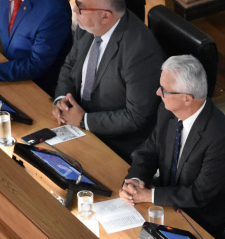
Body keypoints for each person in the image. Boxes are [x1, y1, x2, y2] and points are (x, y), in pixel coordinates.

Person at [120, 55, 225, 234]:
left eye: (164, 89)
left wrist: (150, 195)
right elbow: (149, 151)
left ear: (187, 98)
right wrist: (135, 181)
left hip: (199, 219)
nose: (157, 92)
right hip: (168, 201)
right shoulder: (167, 110)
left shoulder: (219, 138)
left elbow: (199, 194)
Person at [52, 0, 163, 162]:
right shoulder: (88, 27)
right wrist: (62, 99)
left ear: (105, 16)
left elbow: (135, 117)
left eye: (81, 6)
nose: (75, 9)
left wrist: (84, 120)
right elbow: (70, 66)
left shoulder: (140, 52)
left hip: (116, 141)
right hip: (77, 123)